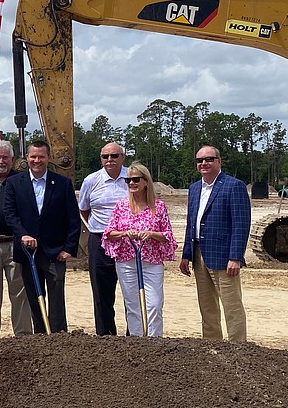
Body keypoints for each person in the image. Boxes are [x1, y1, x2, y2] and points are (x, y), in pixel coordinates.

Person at [4, 140, 81, 334]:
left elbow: (73, 219)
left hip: (55, 252)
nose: (37, 160)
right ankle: (40, 335)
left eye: (41, 157)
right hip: (27, 251)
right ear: (27, 158)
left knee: (56, 296)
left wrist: (68, 248)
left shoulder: (62, 184)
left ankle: (58, 335)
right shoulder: (14, 183)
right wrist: (23, 235)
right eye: (33, 156)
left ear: (48, 158)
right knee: (34, 296)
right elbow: (10, 214)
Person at [179, 146, 251, 341]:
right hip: (198, 254)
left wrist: (235, 257)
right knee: (207, 307)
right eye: (200, 160)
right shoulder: (194, 189)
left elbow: (241, 224)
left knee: (232, 306)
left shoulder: (233, 186)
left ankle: (238, 347)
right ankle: (212, 345)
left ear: (219, 161)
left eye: (209, 159)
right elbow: (190, 224)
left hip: (223, 256)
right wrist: (186, 255)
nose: (204, 163)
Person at [100, 163, 177, 337]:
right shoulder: (121, 206)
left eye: (135, 180)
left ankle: (154, 340)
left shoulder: (159, 207)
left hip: (151, 262)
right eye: (128, 180)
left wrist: (151, 234)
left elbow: (167, 235)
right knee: (132, 305)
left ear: (146, 182)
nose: (131, 183)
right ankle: (136, 341)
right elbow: (109, 233)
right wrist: (125, 233)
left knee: (155, 305)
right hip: (126, 262)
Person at [0, 141, 33, 336]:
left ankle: (23, 334)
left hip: (16, 244)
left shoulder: (23, 181)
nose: (1, 161)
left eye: (5, 158)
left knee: (20, 293)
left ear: (12, 160)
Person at [77, 142, 129, 336]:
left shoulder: (132, 177)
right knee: (101, 294)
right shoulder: (91, 180)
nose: (109, 160)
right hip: (100, 240)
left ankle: (134, 336)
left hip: (128, 241)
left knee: (130, 292)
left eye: (114, 156)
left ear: (123, 157)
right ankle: (105, 335)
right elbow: (84, 208)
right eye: (105, 156)